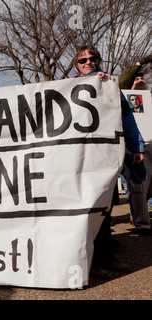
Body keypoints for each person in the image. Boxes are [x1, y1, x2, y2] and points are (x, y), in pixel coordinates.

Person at [71, 46, 146, 278]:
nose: (88, 62)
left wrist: (136, 147)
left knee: (106, 208)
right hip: (79, 160)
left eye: (92, 58)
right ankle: (88, 262)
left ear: (99, 61)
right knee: (86, 210)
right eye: (83, 59)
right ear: (76, 65)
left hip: (106, 156)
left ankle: (106, 258)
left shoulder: (111, 86)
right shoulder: (67, 87)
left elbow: (127, 119)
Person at [118, 55, 152, 236]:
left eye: (142, 78)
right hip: (137, 146)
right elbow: (123, 80)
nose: (139, 81)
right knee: (138, 186)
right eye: (136, 78)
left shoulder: (149, 98)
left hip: (151, 144)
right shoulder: (125, 96)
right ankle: (140, 222)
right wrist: (140, 63)